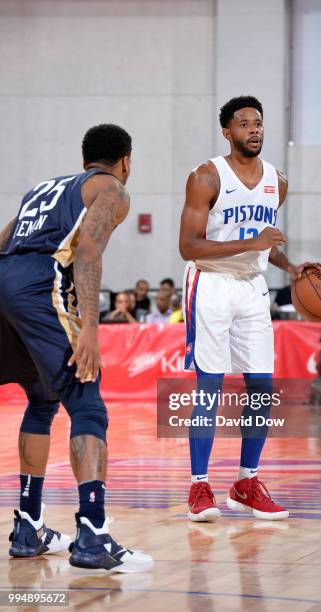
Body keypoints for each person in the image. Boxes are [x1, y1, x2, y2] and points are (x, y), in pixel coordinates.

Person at [0, 124, 152, 572]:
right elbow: (87, 252)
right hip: (37, 287)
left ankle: (29, 528)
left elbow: (2, 241)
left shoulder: (42, 189)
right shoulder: (114, 190)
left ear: (84, 156)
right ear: (126, 160)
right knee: (88, 404)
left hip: (4, 284)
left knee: (43, 400)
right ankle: (93, 534)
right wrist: (89, 326)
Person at [179, 95, 318, 522]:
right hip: (211, 283)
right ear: (227, 131)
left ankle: (246, 482)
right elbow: (188, 247)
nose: (254, 129)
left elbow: (263, 241)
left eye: (258, 122)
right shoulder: (206, 176)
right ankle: (199, 487)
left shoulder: (279, 180)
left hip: (252, 287)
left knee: (261, 388)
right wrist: (251, 244)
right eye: (244, 123)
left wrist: (291, 266)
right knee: (210, 386)